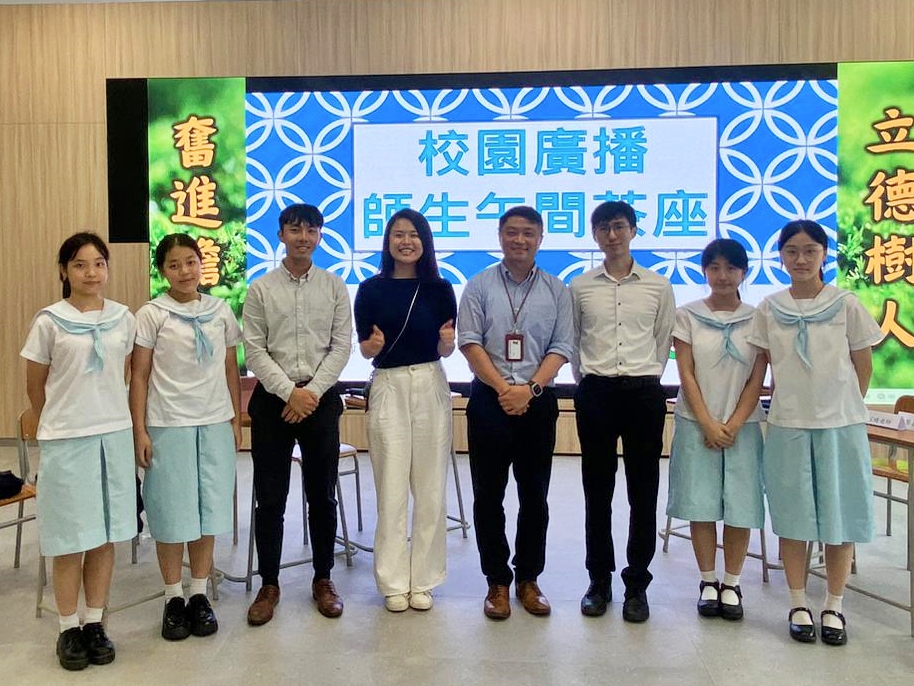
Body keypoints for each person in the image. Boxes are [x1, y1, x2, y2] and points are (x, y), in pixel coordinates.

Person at [748, 219, 882, 646]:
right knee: (793, 517)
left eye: (810, 250)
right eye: (791, 251)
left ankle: (834, 605)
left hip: (840, 426)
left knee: (839, 517)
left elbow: (863, 365)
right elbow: (764, 367)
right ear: (781, 257)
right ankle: (798, 602)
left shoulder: (845, 304)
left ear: (824, 254)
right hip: (788, 424)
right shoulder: (770, 307)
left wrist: (841, 406)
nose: (800, 259)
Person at [21, 232, 137, 671]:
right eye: (80, 265)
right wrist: (55, 422)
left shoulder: (123, 318)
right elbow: (36, 385)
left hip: (113, 435)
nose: (91, 273)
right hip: (67, 439)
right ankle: (68, 626)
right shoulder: (49, 321)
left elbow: (125, 374)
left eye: (98, 264)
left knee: (104, 535)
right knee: (70, 538)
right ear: (64, 271)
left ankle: (94, 622)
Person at [457, 205, 574, 620]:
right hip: (489, 400)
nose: (519, 240)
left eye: (527, 233)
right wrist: (505, 389)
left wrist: (530, 389)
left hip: (538, 401)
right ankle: (496, 581)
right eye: (511, 232)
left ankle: (528, 579)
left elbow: (562, 346)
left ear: (540, 238)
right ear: (500, 235)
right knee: (488, 496)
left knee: (534, 496)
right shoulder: (479, 285)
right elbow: (469, 342)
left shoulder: (557, 290)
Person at [242, 203, 352, 624]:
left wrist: (311, 393)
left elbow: (341, 346)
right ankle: (269, 584)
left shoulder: (335, 286)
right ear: (281, 235)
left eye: (310, 230)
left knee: (322, 495)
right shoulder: (261, 289)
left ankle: (323, 578)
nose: (302, 237)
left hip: (320, 400)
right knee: (270, 498)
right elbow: (255, 350)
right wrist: (290, 393)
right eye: (294, 229)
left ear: (320, 236)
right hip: (274, 402)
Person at [129, 233, 242, 641]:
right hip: (168, 424)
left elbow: (230, 368)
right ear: (163, 271)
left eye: (190, 262)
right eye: (174, 265)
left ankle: (199, 593)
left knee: (208, 510)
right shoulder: (151, 314)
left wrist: (235, 419)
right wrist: (140, 429)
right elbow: (139, 375)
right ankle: (173, 597)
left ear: (201, 264)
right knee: (171, 513)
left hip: (213, 423)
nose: (184, 271)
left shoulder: (220, 310)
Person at [571, 200, 675, 622]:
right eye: (603, 228)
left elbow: (662, 340)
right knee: (596, 492)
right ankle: (599, 581)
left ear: (633, 230)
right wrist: (589, 381)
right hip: (595, 391)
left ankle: (637, 585)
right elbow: (574, 341)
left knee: (642, 492)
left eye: (618, 226)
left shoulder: (658, 286)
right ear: (594, 235)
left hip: (643, 393)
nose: (611, 235)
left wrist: (644, 377)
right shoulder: (580, 286)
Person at [354, 209, 457, 612]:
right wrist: (372, 347)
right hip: (389, 385)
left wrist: (447, 344)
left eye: (414, 235)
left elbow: (445, 346)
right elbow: (365, 349)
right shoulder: (370, 289)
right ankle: (393, 582)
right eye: (398, 234)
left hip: (429, 381)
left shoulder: (440, 288)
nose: (406, 242)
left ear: (425, 241)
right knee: (391, 488)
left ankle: (425, 580)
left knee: (430, 489)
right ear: (388, 241)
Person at [666, 239, 767, 620]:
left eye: (731, 268)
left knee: (740, 506)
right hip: (696, 423)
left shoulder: (758, 318)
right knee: (701, 503)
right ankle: (708, 581)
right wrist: (708, 423)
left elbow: (757, 378)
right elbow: (686, 373)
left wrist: (734, 424)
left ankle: (732, 582)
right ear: (705, 271)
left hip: (744, 426)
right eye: (714, 267)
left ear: (744, 272)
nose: (722, 275)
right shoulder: (687, 315)